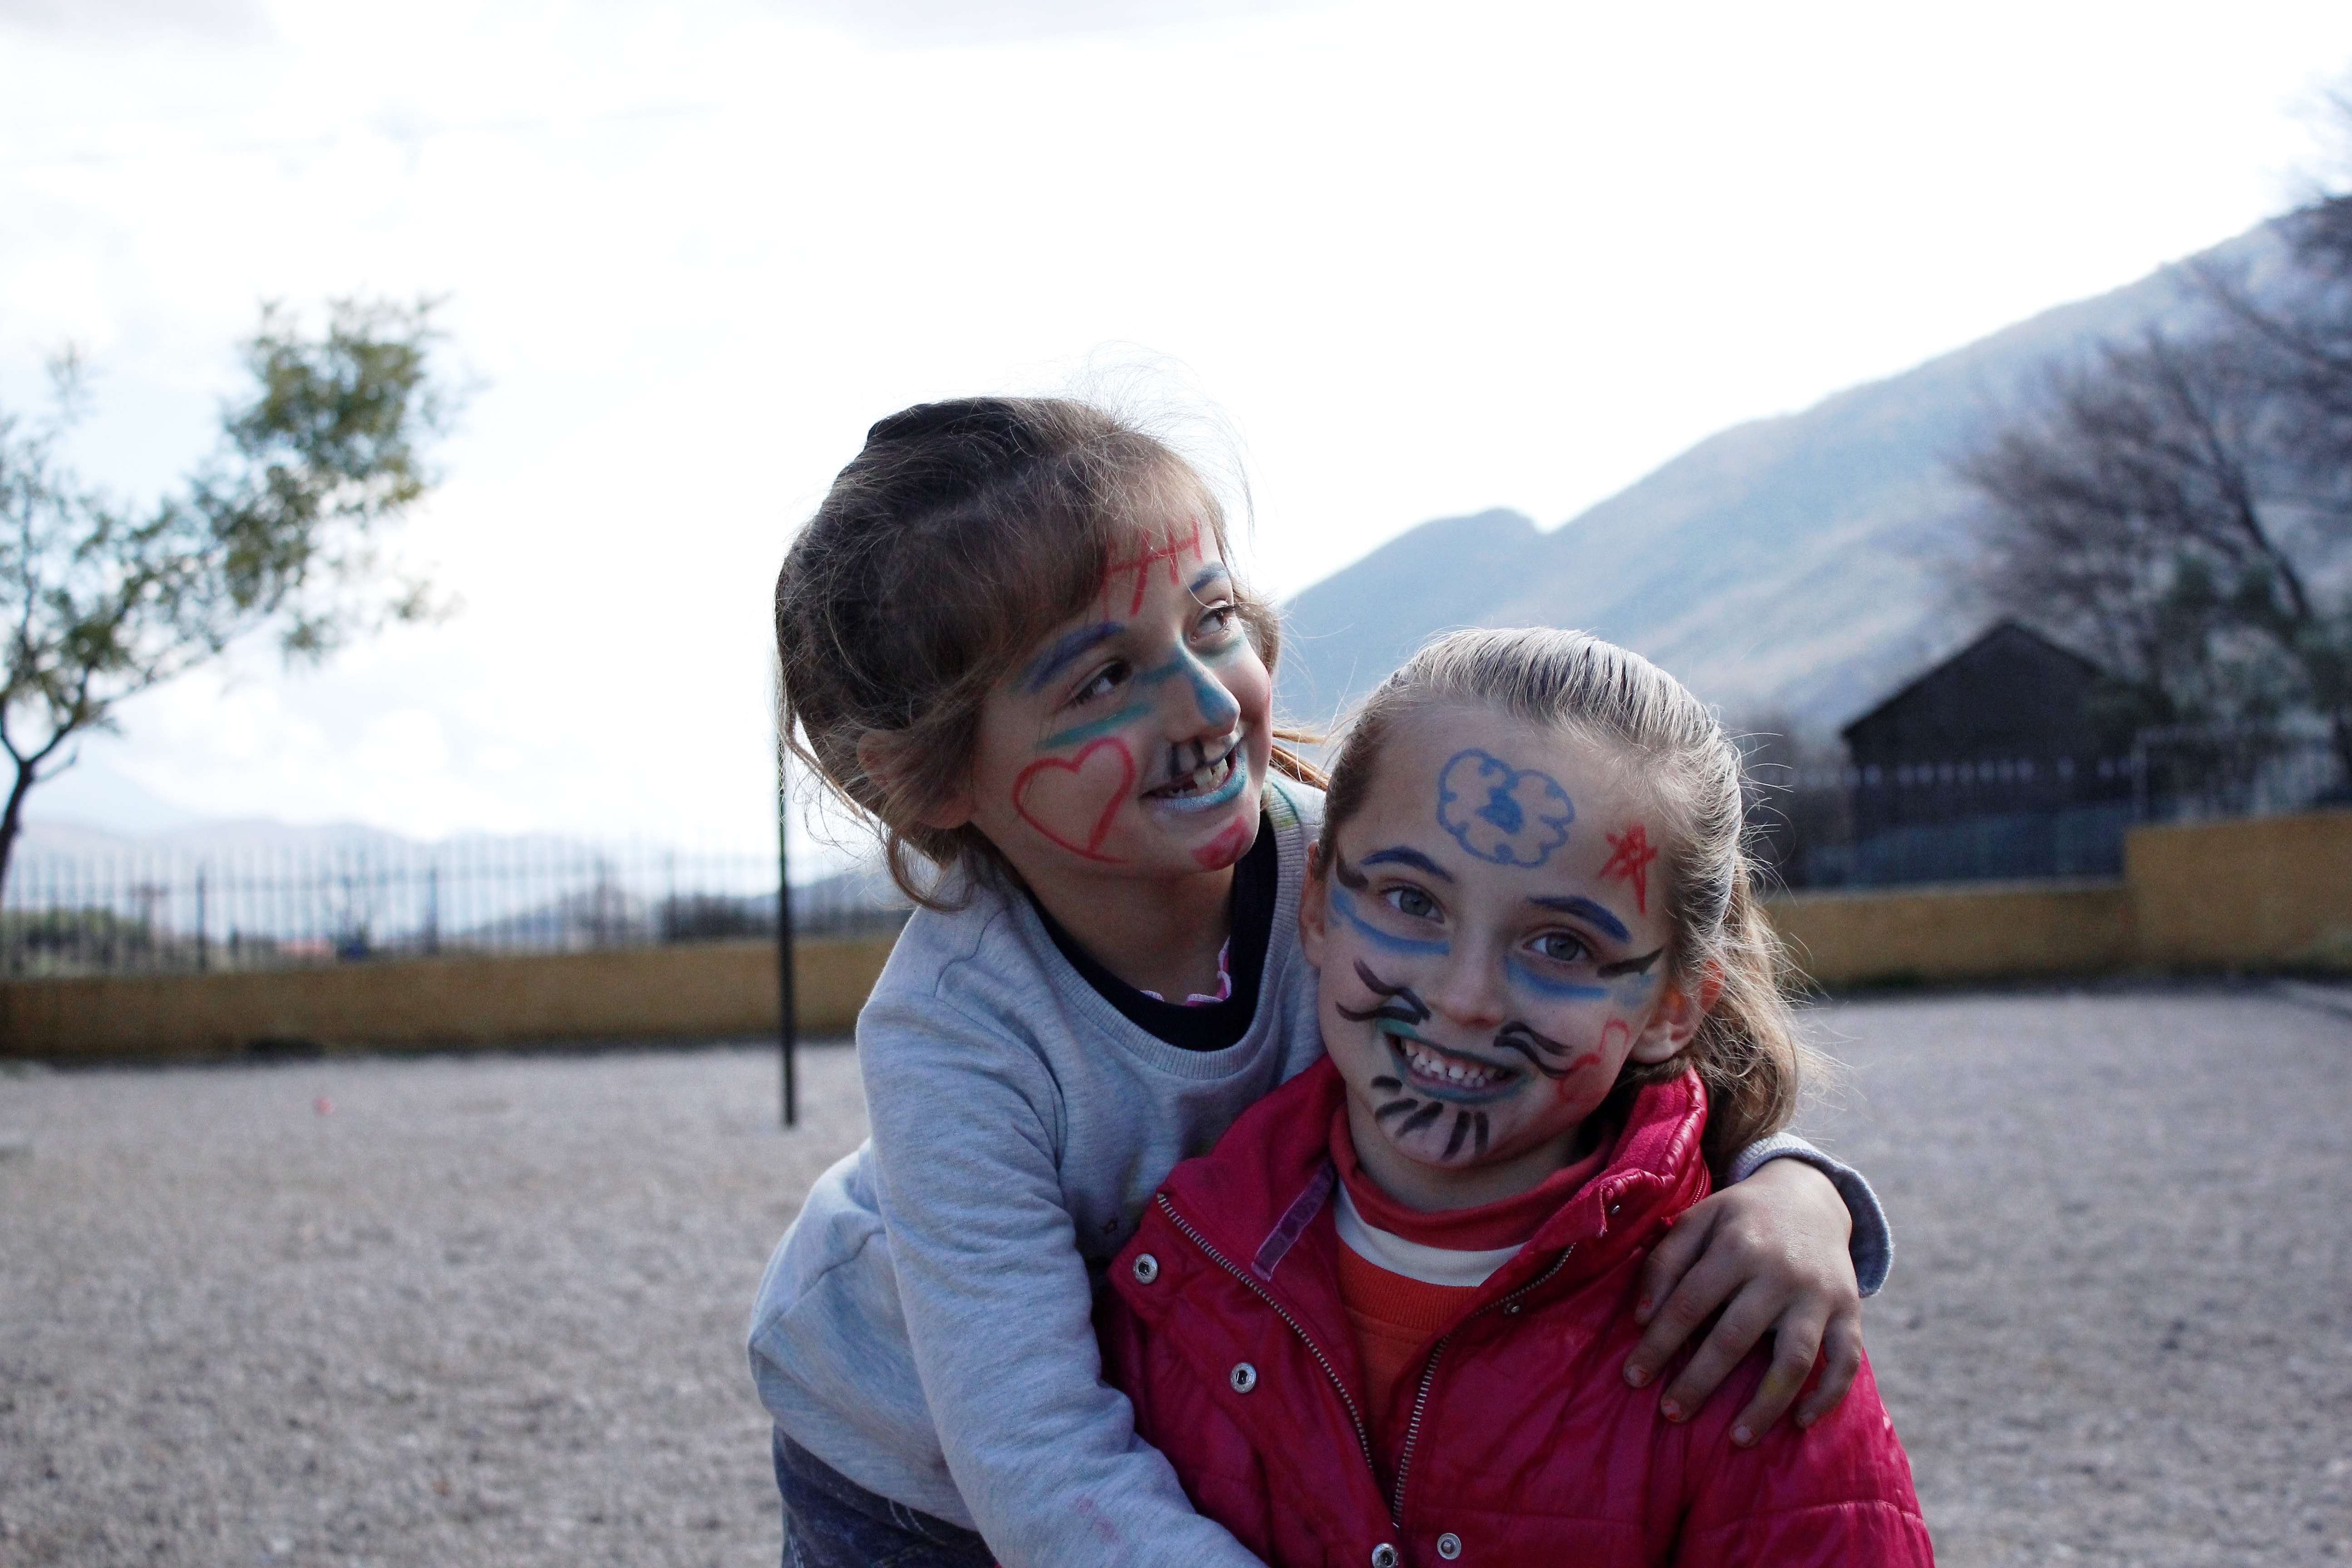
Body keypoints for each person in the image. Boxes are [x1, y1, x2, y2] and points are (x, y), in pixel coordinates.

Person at [747, 398, 1892, 1568]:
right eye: (1101, 680)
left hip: (1182, 1418)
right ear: (923, 777)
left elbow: (1631, 1028)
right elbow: (1035, 1456)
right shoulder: (955, 1034)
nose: (1200, 700)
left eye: (1214, 621)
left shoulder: (1379, 871)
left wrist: (1792, 1191)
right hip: (912, 1465)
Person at [1099, 626, 1933, 1566]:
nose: (1463, 999)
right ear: (1321, 904)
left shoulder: (1745, 1343)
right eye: (1413, 901)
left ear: (1672, 1007)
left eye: (1562, 946)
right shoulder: (1180, 1274)